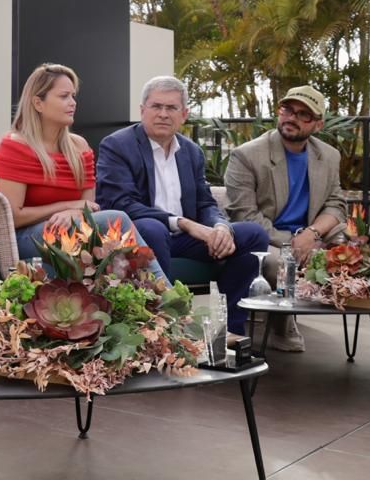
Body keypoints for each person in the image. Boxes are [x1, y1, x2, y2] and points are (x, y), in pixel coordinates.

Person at [224, 85, 370, 372]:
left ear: (318, 124)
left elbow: (335, 205)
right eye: (287, 110)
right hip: (267, 241)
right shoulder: (247, 156)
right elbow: (245, 218)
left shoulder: (328, 156)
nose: (292, 118)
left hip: (315, 235)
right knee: (280, 263)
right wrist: (296, 242)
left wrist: (312, 235)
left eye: (304, 115)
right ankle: (280, 325)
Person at [96, 76, 269, 337]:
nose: (163, 114)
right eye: (156, 107)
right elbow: (121, 204)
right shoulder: (118, 145)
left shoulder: (191, 151)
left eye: (171, 108)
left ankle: (229, 329)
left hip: (185, 240)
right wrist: (184, 223)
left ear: (184, 114)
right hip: (144, 234)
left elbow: (205, 202)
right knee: (152, 228)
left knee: (252, 234)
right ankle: (164, 330)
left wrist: (220, 227)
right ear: (142, 110)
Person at [0, 63, 166, 278]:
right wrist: (67, 206)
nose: (72, 103)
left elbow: (88, 206)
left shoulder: (79, 147)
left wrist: (73, 213)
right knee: (117, 220)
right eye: (64, 96)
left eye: (73, 96)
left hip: (68, 231)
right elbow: (12, 216)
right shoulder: (15, 145)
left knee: (115, 250)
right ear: (38, 103)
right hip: (19, 238)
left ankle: (138, 303)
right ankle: (166, 298)